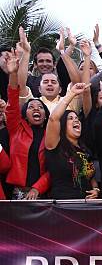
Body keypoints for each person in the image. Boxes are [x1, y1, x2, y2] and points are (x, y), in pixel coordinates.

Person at [5, 49, 50, 199]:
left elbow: (54, 168)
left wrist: (38, 188)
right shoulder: (16, 129)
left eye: (40, 107)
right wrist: (13, 74)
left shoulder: (51, 134)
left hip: (44, 193)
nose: (36, 109)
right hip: (18, 192)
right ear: (24, 115)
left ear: (45, 115)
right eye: (31, 107)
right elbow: (12, 101)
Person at [44, 82, 99, 199]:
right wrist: (72, 94)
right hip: (63, 206)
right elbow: (53, 119)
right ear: (63, 125)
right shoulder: (55, 145)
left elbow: (90, 177)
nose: (76, 121)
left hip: (85, 206)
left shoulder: (84, 149)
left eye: (77, 118)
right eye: (70, 118)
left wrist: (95, 189)